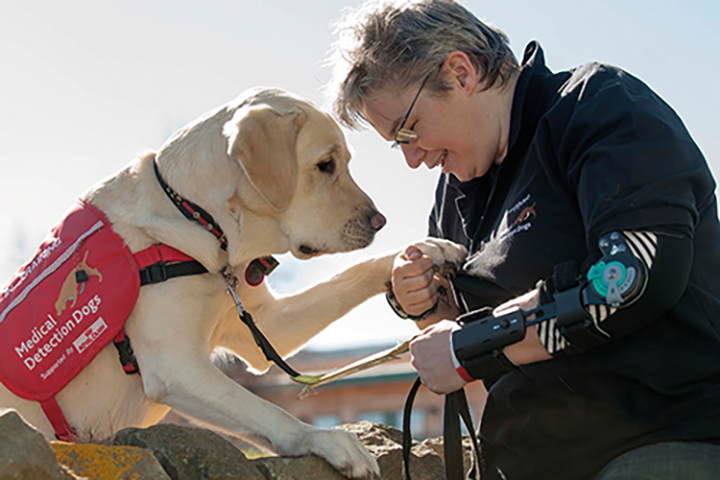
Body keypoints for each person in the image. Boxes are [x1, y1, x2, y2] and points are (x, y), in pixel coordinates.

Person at [327, 1, 720, 479]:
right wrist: (430, 307)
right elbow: (472, 337)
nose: (412, 158)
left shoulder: (598, 106)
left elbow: (630, 278)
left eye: (408, 130)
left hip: (658, 439)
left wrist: (471, 344)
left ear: (460, 72)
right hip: (525, 460)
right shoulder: (456, 191)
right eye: (397, 143)